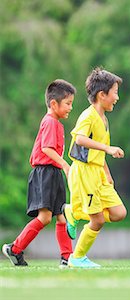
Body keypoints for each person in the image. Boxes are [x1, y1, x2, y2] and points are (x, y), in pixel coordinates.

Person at [2, 79, 76, 268]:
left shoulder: (57, 123)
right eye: (68, 103)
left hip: (54, 173)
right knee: (44, 218)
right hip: (45, 174)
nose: (70, 108)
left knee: (61, 216)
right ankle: (15, 249)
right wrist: (66, 166)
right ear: (54, 104)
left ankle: (67, 257)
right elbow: (47, 149)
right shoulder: (50, 121)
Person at [63, 67, 127, 268]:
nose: (117, 97)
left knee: (119, 213)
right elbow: (80, 140)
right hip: (85, 173)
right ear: (102, 94)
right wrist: (108, 148)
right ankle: (77, 258)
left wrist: (107, 172)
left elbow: (96, 150)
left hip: (98, 172)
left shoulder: (104, 118)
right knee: (97, 220)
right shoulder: (88, 116)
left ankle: (74, 212)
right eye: (115, 92)